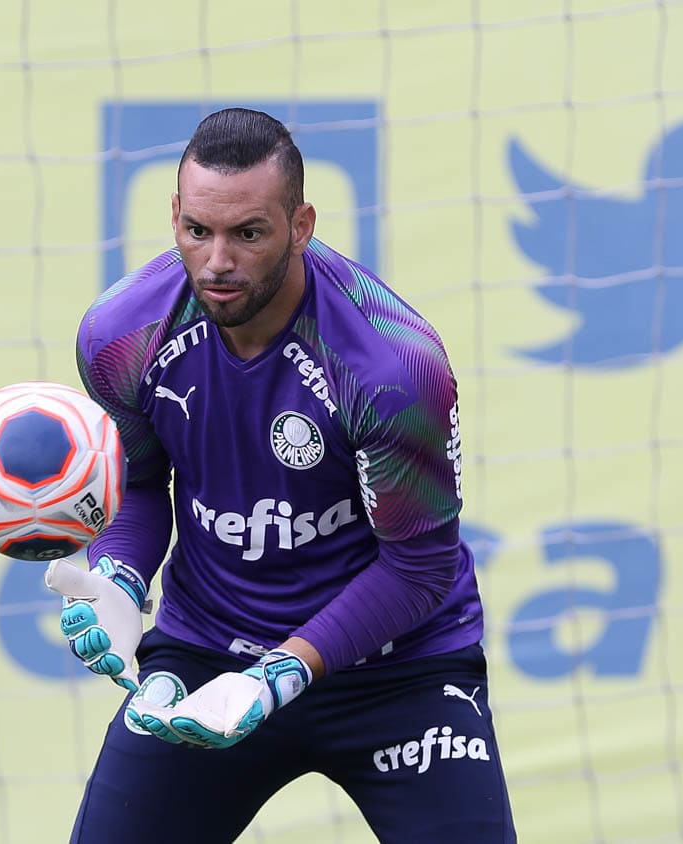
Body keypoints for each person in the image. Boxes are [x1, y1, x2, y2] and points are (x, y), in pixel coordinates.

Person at [45, 108, 518, 842]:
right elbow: (141, 487)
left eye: (249, 233)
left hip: (399, 672)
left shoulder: (392, 367)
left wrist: (279, 676)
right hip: (208, 656)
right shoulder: (121, 335)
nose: (216, 262)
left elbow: (419, 569)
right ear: (175, 214)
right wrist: (118, 580)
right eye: (197, 230)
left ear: (301, 226)